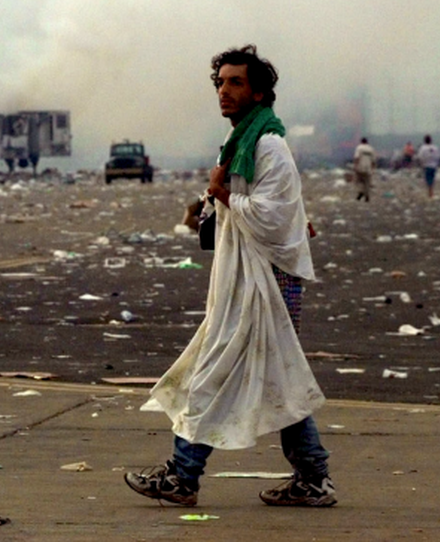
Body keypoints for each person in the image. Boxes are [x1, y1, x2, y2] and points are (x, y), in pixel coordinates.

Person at [124, 45, 333, 508]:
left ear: (258, 92)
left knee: (213, 375)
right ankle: (314, 479)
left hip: (267, 282)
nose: (224, 90)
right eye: (220, 82)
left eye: (235, 82)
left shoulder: (268, 144)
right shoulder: (240, 139)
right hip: (245, 277)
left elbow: (270, 214)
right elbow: (276, 208)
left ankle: (182, 476)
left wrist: (220, 193)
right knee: (279, 381)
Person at [353, 137, 376, 201]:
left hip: (360, 167)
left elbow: (357, 157)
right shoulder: (371, 149)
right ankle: (367, 196)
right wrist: (373, 169)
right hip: (368, 168)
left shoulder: (359, 148)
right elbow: (373, 161)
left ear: (361, 142)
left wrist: (355, 166)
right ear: (367, 142)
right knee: (367, 182)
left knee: (359, 181)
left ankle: (361, 192)